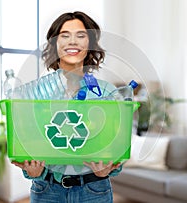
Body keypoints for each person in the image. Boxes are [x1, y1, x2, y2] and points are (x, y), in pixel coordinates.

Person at [12, 11, 123, 203]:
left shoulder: (107, 93)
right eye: (65, 35)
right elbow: (29, 141)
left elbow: (116, 146)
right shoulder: (36, 94)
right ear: (55, 44)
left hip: (94, 190)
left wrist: (110, 168)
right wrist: (32, 171)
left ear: (90, 44)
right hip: (47, 190)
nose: (73, 41)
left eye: (81, 35)